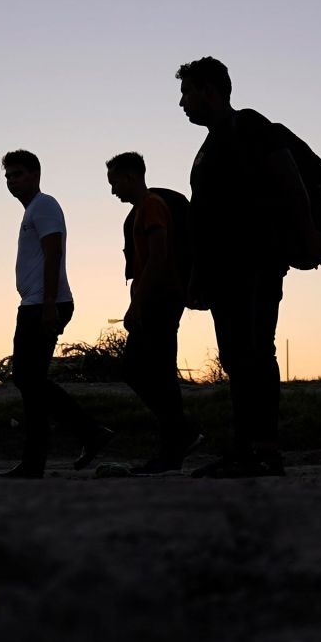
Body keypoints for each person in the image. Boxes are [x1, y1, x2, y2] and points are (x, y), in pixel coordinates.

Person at [177, 56, 318, 478]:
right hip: (224, 269)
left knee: (254, 351)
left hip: (253, 262)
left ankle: (260, 449)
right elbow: (206, 216)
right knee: (240, 355)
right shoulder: (210, 144)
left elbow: (289, 180)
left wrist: (307, 236)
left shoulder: (249, 126)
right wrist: (198, 277)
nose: (182, 103)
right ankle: (248, 448)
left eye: (187, 93)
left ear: (210, 90)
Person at [0, 149, 112, 479]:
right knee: (30, 381)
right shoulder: (32, 210)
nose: (11, 181)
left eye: (17, 174)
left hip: (44, 304)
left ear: (35, 175)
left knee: (27, 378)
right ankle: (39, 458)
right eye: (8, 176)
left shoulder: (44, 205)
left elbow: (54, 252)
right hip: (36, 303)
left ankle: (88, 433)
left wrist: (49, 303)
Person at [105, 152, 202, 474]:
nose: (113, 190)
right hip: (155, 300)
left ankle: (176, 442)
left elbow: (158, 257)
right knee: (147, 371)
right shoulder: (138, 213)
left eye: (115, 182)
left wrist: (137, 303)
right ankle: (179, 437)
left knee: (148, 371)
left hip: (161, 301)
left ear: (130, 177)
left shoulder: (151, 207)